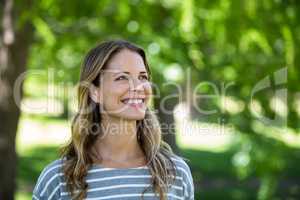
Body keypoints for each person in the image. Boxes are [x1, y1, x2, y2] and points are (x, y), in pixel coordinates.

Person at [32, 40, 194, 200]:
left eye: (143, 77)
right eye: (122, 77)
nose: (138, 86)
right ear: (95, 92)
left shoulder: (176, 173)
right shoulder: (58, 179)